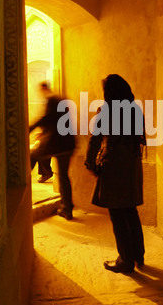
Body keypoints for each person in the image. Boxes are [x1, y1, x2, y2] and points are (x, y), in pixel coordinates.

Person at [85, 74, 146, 274]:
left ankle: (125, 261)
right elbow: (141, 139)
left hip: (114, 166)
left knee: (118, 214)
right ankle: (138, 255)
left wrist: (90, 163)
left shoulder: (106, 111)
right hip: (132, 165)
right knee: (130, 210)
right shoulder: (136, 110)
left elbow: (95, 140)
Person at [30, 82, 76, 220]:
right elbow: (55, 121)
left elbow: (46, 118)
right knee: (63, 176)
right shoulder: (61, 100)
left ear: (44, 89)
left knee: (31, 156)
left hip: (56, 143)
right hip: (67, 144)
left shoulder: (51, 99)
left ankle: (22, 194)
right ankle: (67, 209)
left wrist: (30, 128)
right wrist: (43, 132)